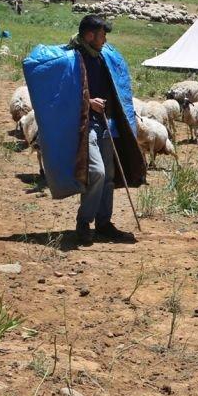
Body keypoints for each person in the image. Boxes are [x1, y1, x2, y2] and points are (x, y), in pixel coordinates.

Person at [70, 15, 141, 246]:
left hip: (105, 124)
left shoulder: (103, 58)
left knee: (108, 176)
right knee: (97, 173)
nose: (105, 39)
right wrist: (88, 101)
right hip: (85, 124)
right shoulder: (73, 58)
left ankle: (104, 223)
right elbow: (65, 91)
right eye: (102, 35)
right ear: (90, 36)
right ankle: (84, 222)